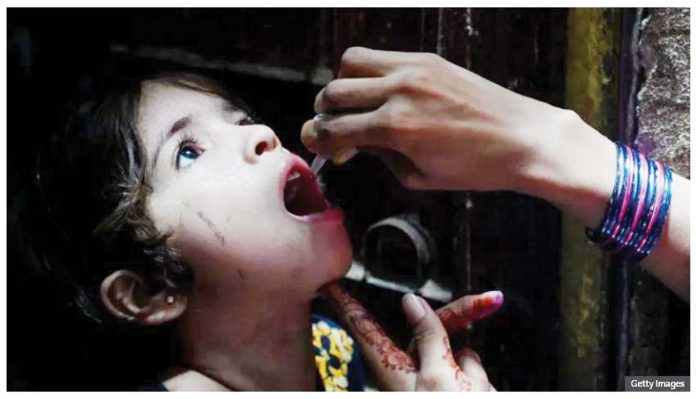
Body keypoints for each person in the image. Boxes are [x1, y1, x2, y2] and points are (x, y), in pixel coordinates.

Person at [31, 68, 501, 391]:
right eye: (188, 151)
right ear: (150, 291)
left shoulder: (334, 347)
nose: (263, 135)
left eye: (242, 121)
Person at [301, 46, 689, 389]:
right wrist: (544, 143)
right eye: (237, 125)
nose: (266, 140)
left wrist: (545, 143)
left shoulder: (337, 360)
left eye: (250, 122)